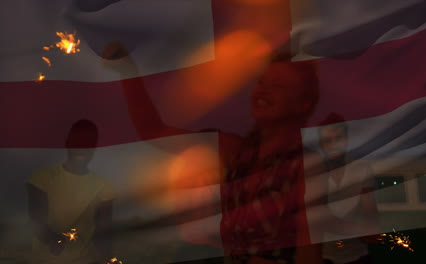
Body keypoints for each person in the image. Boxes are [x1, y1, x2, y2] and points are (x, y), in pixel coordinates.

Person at [102, 43, 324, 264]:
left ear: (303, 104)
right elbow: (152, 129)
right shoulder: (237, 151)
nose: (263, 90)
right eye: (261, 82)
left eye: (278, 86)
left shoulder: (305, 165)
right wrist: (127, 70)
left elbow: (309, 252)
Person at [26, 119, 116, 264]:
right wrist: (52, 240)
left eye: (88, 142)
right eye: (77, 141)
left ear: (94, 148)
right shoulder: (42, 178)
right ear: (67, 143)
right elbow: (36, 220)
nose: (82, 147)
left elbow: (104, 233)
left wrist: (108, 260)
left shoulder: (104, 186)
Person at [317, 113, 380, 264]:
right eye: (327, 141)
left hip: (357, 256)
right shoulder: (314, 174)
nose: (333, 145)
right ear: (321, 144)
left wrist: (370, 227)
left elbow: (370, 210)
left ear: (346, 140)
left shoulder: (360, 168)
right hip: (323, 257)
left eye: (338, 139)